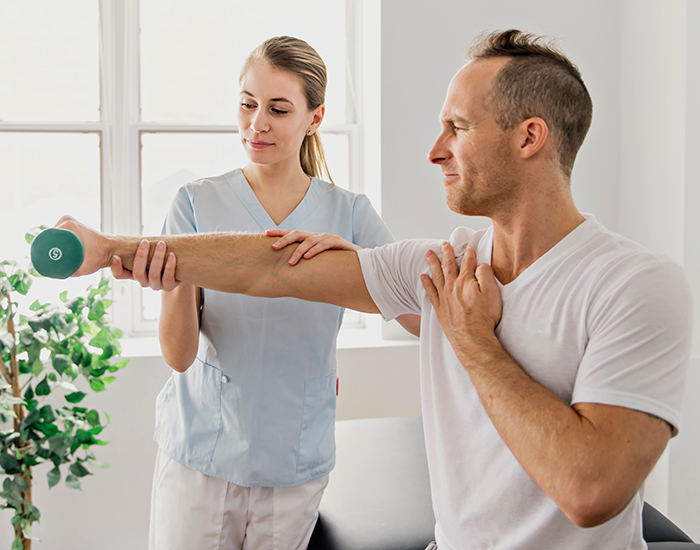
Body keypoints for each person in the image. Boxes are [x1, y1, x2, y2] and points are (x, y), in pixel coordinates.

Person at [56, 29, 693, 550]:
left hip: (293, 466)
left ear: (529, 137)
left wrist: (472, 340)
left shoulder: (636, 283)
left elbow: (592, 491)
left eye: (458, 127)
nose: (434, 151)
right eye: (248, 103)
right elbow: (273, 268)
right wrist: (108, 249)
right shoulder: (445, 264)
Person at [109, 35, 418, 550]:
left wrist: (359, 262)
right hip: (200, 457)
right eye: (248, 104)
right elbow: (179, 356)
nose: (257, 124)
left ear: (314, 118)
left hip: (293, 461)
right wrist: (178, 282)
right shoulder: (195, 203)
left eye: (278, 109)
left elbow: (418, 318)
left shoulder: (350, 214)